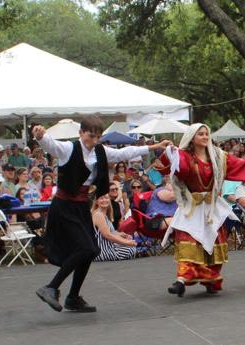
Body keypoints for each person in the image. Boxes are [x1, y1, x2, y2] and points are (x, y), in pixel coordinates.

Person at [31, 117, 169, 313]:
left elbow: (125, 152)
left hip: (81, 207)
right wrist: (40, 136)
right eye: (90, 136)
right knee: (86, 248)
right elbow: (51, 145)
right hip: (64, 207)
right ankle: (51, 287)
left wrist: (155, 146)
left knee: (92, 249)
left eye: (97, 137)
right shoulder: (69, 149)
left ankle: (72, 297)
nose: (93, 140)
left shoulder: (100, 151)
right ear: (81, 133)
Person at [154, 123, 245, 296]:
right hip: (192, 208)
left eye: (206, 134)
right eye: (200, 134)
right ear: (192, 138)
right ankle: (181, 280)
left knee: (213, 242)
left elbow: (241, 165)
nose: (204, 136)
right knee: (188, 241)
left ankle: (210, 279)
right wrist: (172, 154)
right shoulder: (186, 156)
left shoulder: (218, 156)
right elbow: (180, 168)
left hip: (212, 208)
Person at [91, 193, 138, 262]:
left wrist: (123, 235)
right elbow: (107, 235)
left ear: (109, 200)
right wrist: (127, 242)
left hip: (106, 248)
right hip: (102, 251)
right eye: (101, 198)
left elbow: (111, 232)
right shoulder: (98, 215)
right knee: (130, 249)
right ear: (97, 201)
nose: (104, 200)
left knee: (131, 247)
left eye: (106, 198)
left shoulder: (104, 215)